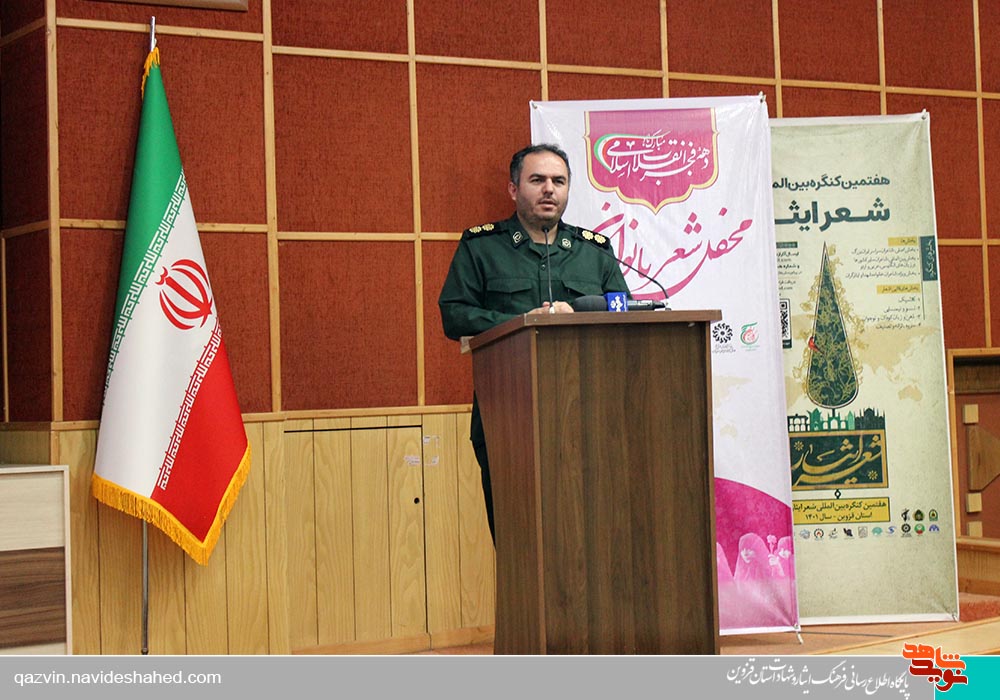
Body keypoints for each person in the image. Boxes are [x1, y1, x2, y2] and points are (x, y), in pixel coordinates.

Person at [438, 143, 630, 541]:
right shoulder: (481, 247)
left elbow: (623, 311)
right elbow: (454, 314)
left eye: (559, 181)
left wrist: (579, 314)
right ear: (513, 189)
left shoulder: (594, 252)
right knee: (517, 535)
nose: (549, 190)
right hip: (509, 412)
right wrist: (526, 322)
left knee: (592, 533)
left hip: (589, 412)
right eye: (537, 180)